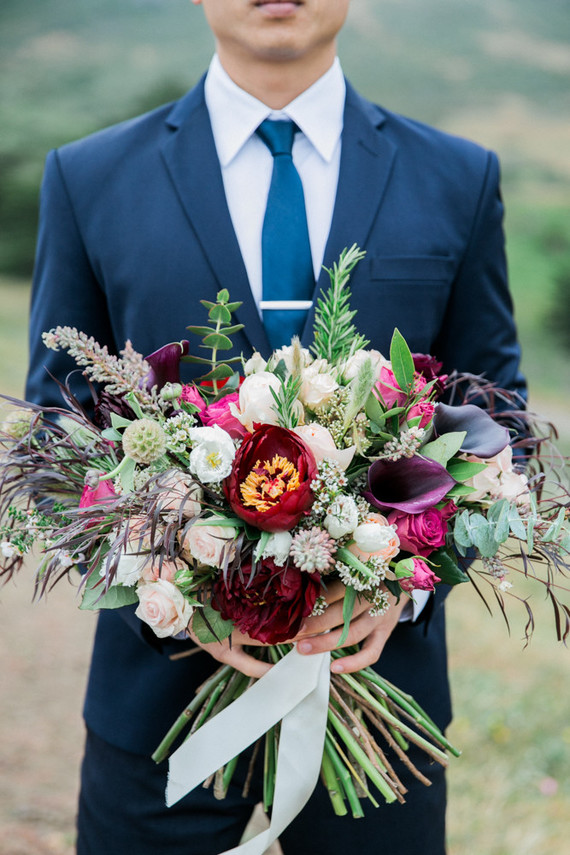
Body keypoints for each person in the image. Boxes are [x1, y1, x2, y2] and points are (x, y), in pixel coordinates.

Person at [26, 1, 526, 853]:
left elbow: (497, 413)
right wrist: (170, 585)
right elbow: (55, 426)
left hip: (381, 705)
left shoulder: (457, 175)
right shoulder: (90, 176)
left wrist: (400, 586)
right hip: (158, 703)